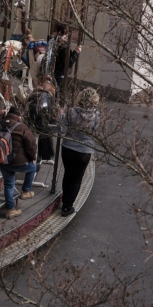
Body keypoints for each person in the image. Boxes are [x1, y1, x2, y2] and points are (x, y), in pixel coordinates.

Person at [0, 106, 38, 219]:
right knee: (32, 168)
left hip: (3, 161)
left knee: (9, 184)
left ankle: (11, 209)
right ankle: (25, 191)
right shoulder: (22, 127)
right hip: (19, 163)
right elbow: (31, 145)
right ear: (19, 116)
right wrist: (32, 158)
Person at [59, 88, 100, 217]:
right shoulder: (96, 116)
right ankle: (67, 206)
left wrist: (61, 115)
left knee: (68, 176)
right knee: (77, 179)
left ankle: (64, 200)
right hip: (84, 151)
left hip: (68, 148)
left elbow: (61, 130)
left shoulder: (71, 112)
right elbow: (97, 133)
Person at [53, 25, 82, 89]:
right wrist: (76, 52)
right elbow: (68, 63)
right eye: (66, 34)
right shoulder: (64, 47)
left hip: (51, 73)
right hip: (59, 76)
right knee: (58, 96)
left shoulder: (53, 43)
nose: (67, 37)